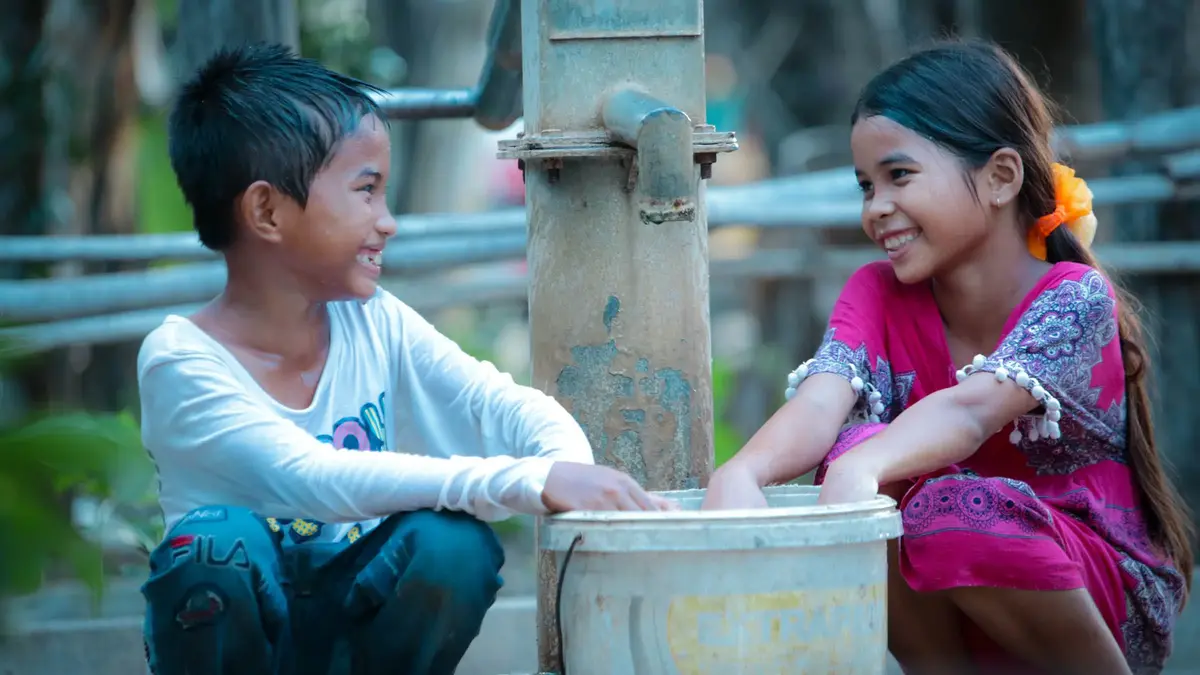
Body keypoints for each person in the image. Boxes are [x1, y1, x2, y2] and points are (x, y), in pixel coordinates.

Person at [137, 43, 674, 675]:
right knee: (213, 548)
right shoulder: (179, 361)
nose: (387, 222)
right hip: (244, 635)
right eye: (366, 192)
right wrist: (528, 481)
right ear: (266, 211)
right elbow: (313, 477)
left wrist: (566, 470)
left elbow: (496, 402)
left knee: (451, 548)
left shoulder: (372, 319)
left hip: (350, 632)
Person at [702, 40, 1193, 675]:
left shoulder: (1074, 297)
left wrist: (863, 466)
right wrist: (739, 474)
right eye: (865, 186)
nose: (875, 207)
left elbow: (969, 413)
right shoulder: (876, 291)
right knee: (862, 460)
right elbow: (823, 398)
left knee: (909, 488)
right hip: (955, 604)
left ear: (1001, 177)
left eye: (898, 176)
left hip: (1097, 595)